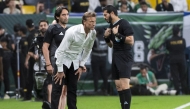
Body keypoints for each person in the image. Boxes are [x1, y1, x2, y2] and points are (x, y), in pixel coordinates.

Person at [54, 11, 96, 109]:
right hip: (62, 59)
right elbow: (60, 51)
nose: (93, 24)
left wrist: (81, 65)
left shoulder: (93, 32)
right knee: (57, 89)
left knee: (72, 89)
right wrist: (60, 70)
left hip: (74, 62)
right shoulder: (72, 32)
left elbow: (88, 49)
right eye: (91, 21)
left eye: (94, 21)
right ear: (84, 22)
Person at [102, 5, 134, 109]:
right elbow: (111, 45)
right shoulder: (111, 26)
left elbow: (131, 41)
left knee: (124, 85)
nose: (104, 17)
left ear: (112, 13)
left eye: (105, 14)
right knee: (118, 86)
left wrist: (118, 35)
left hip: (124, 55)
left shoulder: (123, 23)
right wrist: (106, 37)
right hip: (116, 56)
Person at [42, 6, 69, 109]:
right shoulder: (53, 28)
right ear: (57, 17)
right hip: (56, 60)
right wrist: (48, 63)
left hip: (67, 61)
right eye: (63, 15)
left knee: (65, 90)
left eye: (67, 14)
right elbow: (45, 47)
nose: (66, 17)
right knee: (57, 89)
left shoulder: (68, 30)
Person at [25, 20, 49, 102]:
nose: (43, 27)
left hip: (49, 64)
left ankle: (48, 98)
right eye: (41, 25)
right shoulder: (36, 39)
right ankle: (39, 97)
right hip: (38, 66)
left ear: (48, 26)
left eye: (44, 25)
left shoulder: (52, 38)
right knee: (38, 84)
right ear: (39, 27)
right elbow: (29, 51)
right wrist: (34, 55)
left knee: (48, 84)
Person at [166, 26, 188, 95]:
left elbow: (168, 48)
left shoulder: (169, 41)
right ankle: (185, 91)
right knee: (183, 76)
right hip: (182, 59)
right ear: (178, 32)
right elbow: (184, 48)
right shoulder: (182, 40)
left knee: (175, 76)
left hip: (173, 60)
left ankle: (177, 91)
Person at [91, 27, 108, 94]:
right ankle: (106, 90)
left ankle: (96, 90)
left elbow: (90, 47)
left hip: (95, 60)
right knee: (104, 75)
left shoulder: (95, 39)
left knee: (96, 75)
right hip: (103, 59)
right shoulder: (105, 39)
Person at [23, 19, 37, 100]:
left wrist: (26, 60)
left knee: (30, 78)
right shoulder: (38, 32)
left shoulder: (29, 36)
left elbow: (30, 50)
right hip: (41, 58)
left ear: (27, 26)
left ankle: (28, 96)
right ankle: (41, 95)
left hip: (32, 59)